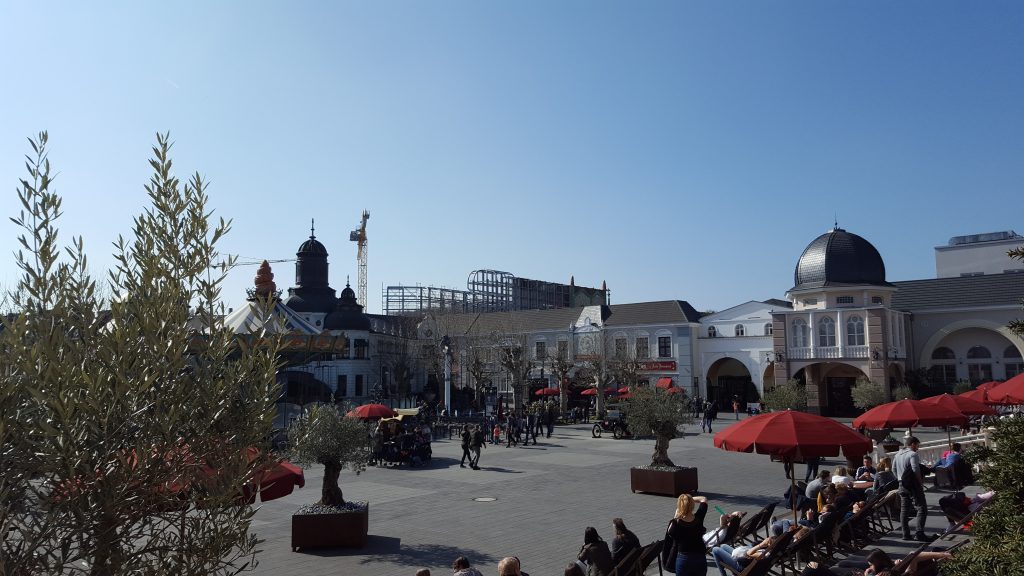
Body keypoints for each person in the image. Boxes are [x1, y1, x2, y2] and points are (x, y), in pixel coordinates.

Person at [892, 435, 935, 542]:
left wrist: (900, 478)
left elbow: (893, 469)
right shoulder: (912, 454)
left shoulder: (897, 454)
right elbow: (915, 469)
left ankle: (905, 534)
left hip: (901, 484)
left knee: (904, 510)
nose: (918, 448)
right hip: (913, 485)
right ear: (913, 444)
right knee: (922, 508)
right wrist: (920, 482)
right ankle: (919, 533)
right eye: (917, 445)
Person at [665, 493, 709, 576]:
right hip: (700, 557)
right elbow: (703, 499)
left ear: (679, 507)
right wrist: (689, 500)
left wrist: (676, 515)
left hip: (683, 559)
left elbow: (670, 534)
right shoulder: (699, 517)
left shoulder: (675, 523)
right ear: (692, 505)